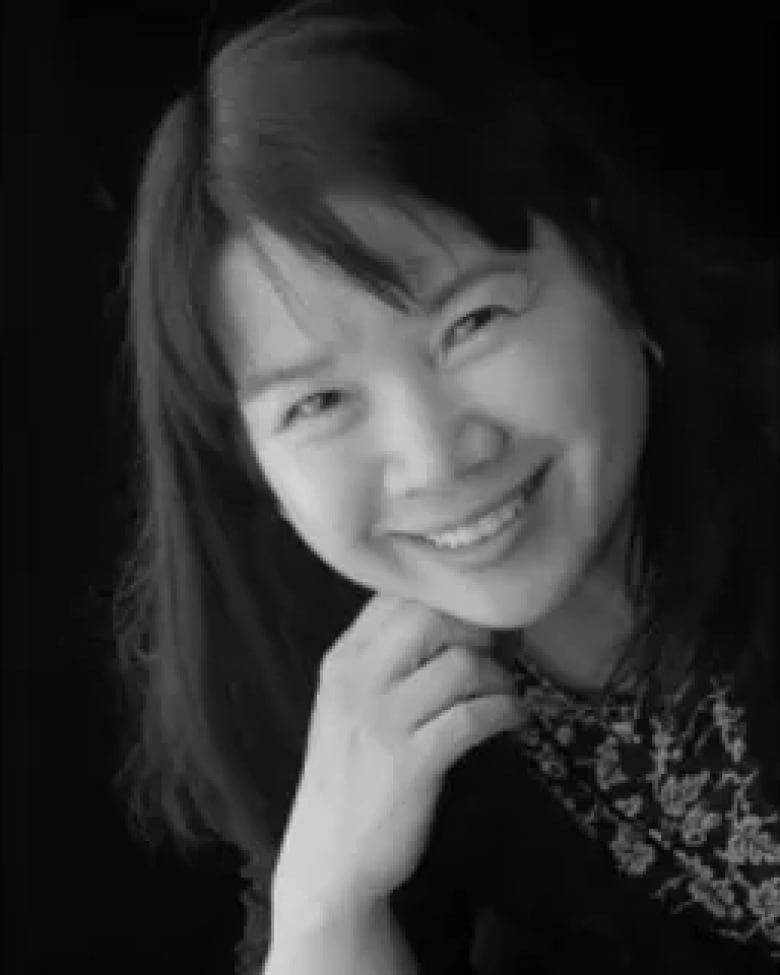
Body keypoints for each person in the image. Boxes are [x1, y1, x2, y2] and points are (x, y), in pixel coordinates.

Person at [111, 1, 779, 972]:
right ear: (253, 463)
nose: (435, 459)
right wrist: (326, 908)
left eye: (472, 324)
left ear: (606, 264)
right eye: (321, 402)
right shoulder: (330, 688)